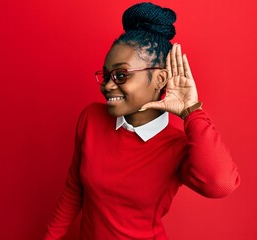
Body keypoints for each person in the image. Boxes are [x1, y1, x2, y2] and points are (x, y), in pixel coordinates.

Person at [44, 2, 240, 239]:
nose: (107, 85)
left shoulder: (177, 147)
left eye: (121, 75)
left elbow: (220, 184)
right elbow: (74, 189)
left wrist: (191, 111)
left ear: (159, 79)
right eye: (106, 75)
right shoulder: (91, 118)